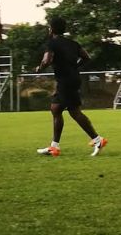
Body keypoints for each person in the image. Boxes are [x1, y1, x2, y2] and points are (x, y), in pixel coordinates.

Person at [35, 17, 107, 157]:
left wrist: (39, 68)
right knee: (60, 109)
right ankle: (55, 146)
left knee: (68, 111)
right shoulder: (73, 43)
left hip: (65, 81)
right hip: (73, 79)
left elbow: (47, 60)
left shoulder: (52, 43)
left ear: (51, 29)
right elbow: (87, 57)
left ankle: (97, 140)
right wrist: (74, 67)